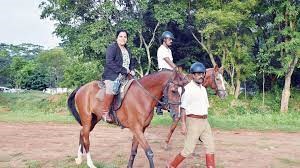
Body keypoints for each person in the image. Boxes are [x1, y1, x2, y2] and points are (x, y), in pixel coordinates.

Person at [167, 62, 215, 168]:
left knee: (210, 147)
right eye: (197, 74)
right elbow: (183, 108)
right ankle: (171, 166)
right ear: (193, 75)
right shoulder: (188, 89)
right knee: (188, 150)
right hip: (193, 121)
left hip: (205, 122)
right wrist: (183, 124)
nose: (201, 76)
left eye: (202, 74)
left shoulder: (203, 89)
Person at [101, 29, 136, 122]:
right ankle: (105, 112)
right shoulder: (112, 48)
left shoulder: (128, 49)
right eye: (121, 36)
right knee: (113, 88)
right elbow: (109, 62)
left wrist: (132, 69)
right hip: (113, 75)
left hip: (126, 75)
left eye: (125, 37)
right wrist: (124, 70)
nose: (123, 38)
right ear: (117, 37)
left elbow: (132, 61)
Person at [156, 31, 178, 115]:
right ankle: (167, 106)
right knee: (169, 87)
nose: (171, 41)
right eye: (170, 39)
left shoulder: (169, 50)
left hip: (170, 71)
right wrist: (176, 69)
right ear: (164, 39)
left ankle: (164, 106)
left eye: (172, 39)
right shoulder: (161, 49)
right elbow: (168, 61)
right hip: (164, 71)